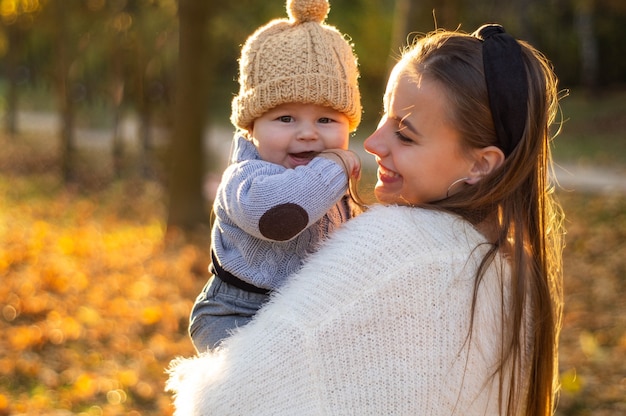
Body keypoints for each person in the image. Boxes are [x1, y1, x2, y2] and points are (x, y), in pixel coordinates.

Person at [168, 24, 565, 416]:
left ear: (481, 163)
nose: (372, 144)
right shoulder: (515, 273)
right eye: (382, 118)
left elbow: (227, 401)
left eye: (405, 135)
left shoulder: (389, 250)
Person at [188, 0, 364, 353]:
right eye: (286, 119)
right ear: (252, 127)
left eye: (326, 120)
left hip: (306, 316)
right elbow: (281, 215)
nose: (307, 134)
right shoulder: (245, 181)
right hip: (238, 314)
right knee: (255, 389)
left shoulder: (327, 182)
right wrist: (334, 167)